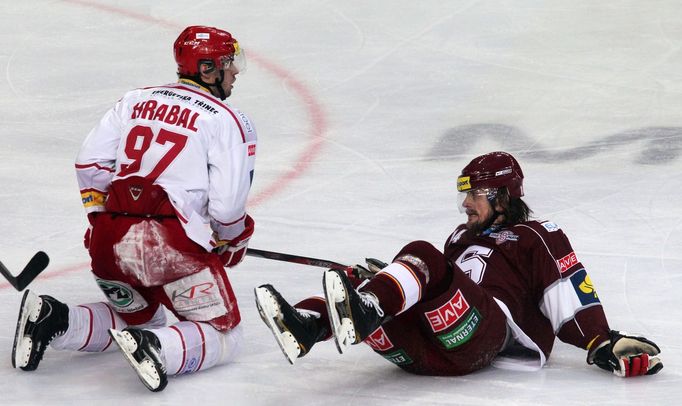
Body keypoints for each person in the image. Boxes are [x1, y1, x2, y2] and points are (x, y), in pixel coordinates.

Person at [255, 151, 663, 378]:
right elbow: (436, 283)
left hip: (481, 339)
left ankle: (368, 310)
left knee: (419, 252)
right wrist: (382, 282)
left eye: (476, 194)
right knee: (356, 281)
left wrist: (601, 340)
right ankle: (307, 326)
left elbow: (568, 288)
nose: (466, 204)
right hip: (426, 354)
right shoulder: (459, 237)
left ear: (503, 196)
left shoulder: (535, 235)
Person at [11, 25, 257, 392]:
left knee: (140, 318)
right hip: (173, 244)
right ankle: (157, 350)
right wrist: (232, 240)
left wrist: (100, 221)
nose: (235, 72)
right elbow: (227, 208)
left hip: (110, 239)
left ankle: (53, 318)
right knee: (226, 334)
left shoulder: (134, 100)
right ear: (207, 69)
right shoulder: (227, 119)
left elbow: (88, 163)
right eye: (228, 64)